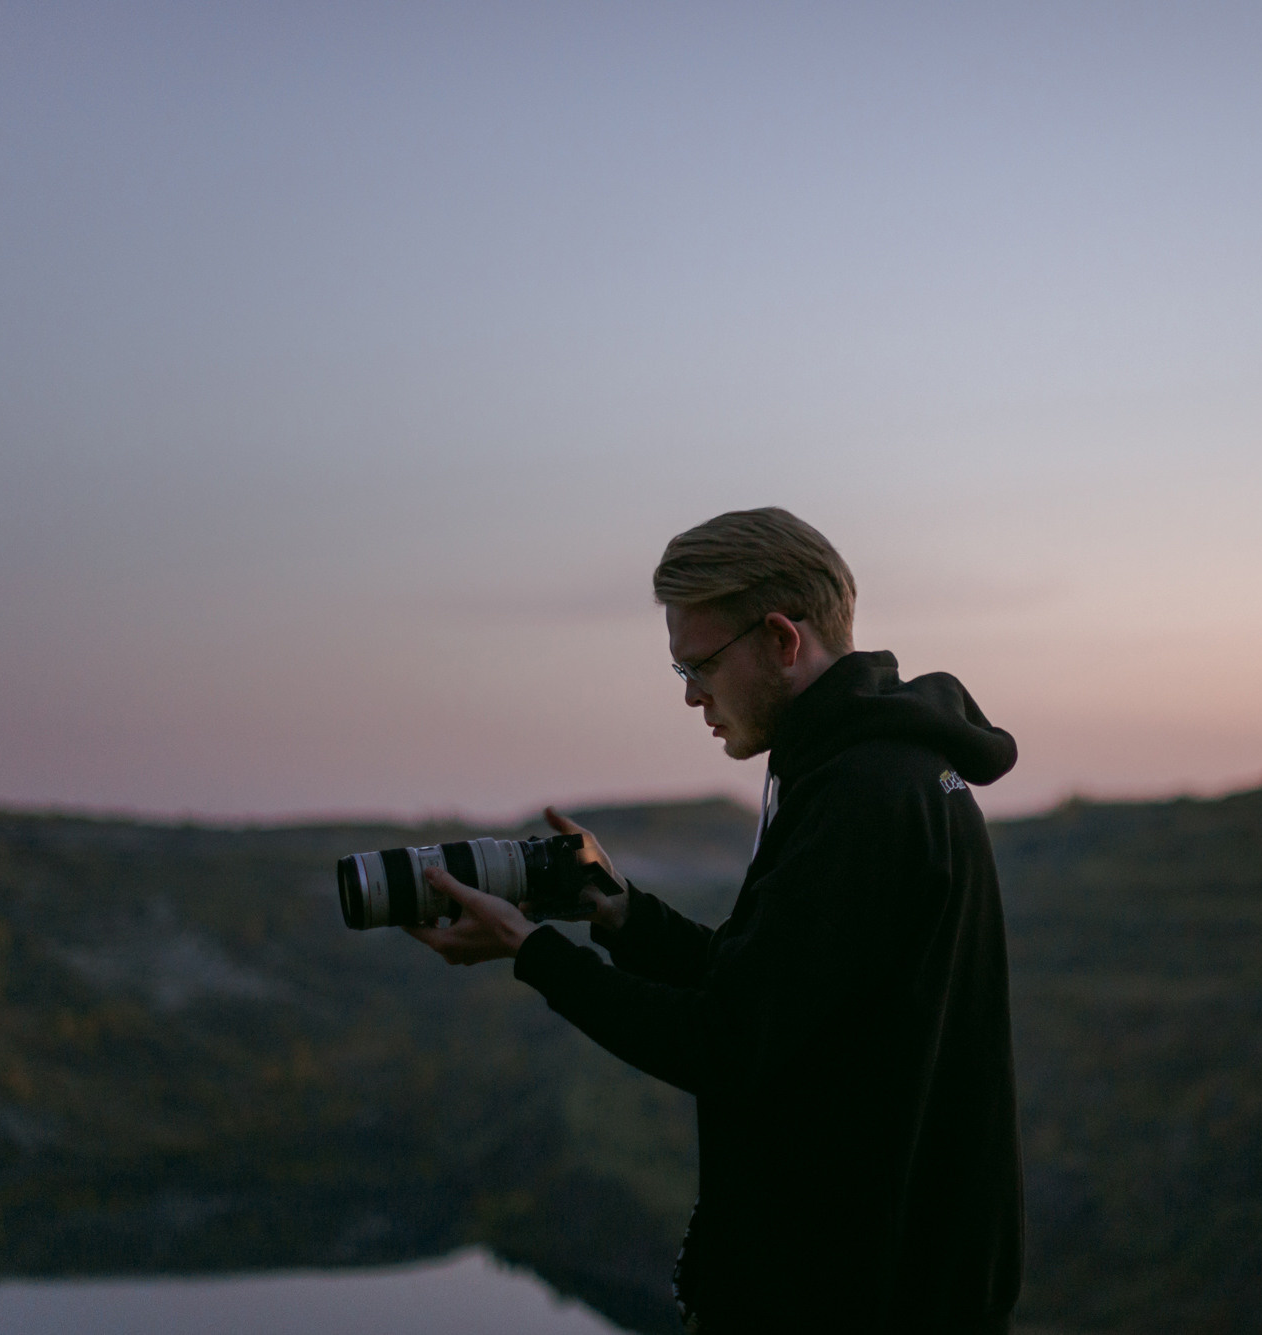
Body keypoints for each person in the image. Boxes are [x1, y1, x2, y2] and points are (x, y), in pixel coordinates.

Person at [406, 507, 1023, 1334]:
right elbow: (771, 985)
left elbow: (728, 1044)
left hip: (852, 1299)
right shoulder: (877, 769)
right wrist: (621, 913)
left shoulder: (859, 797)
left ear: (780, 639)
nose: (692, 695)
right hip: (883, 1279)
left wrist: (534, 953)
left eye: (699, 665)